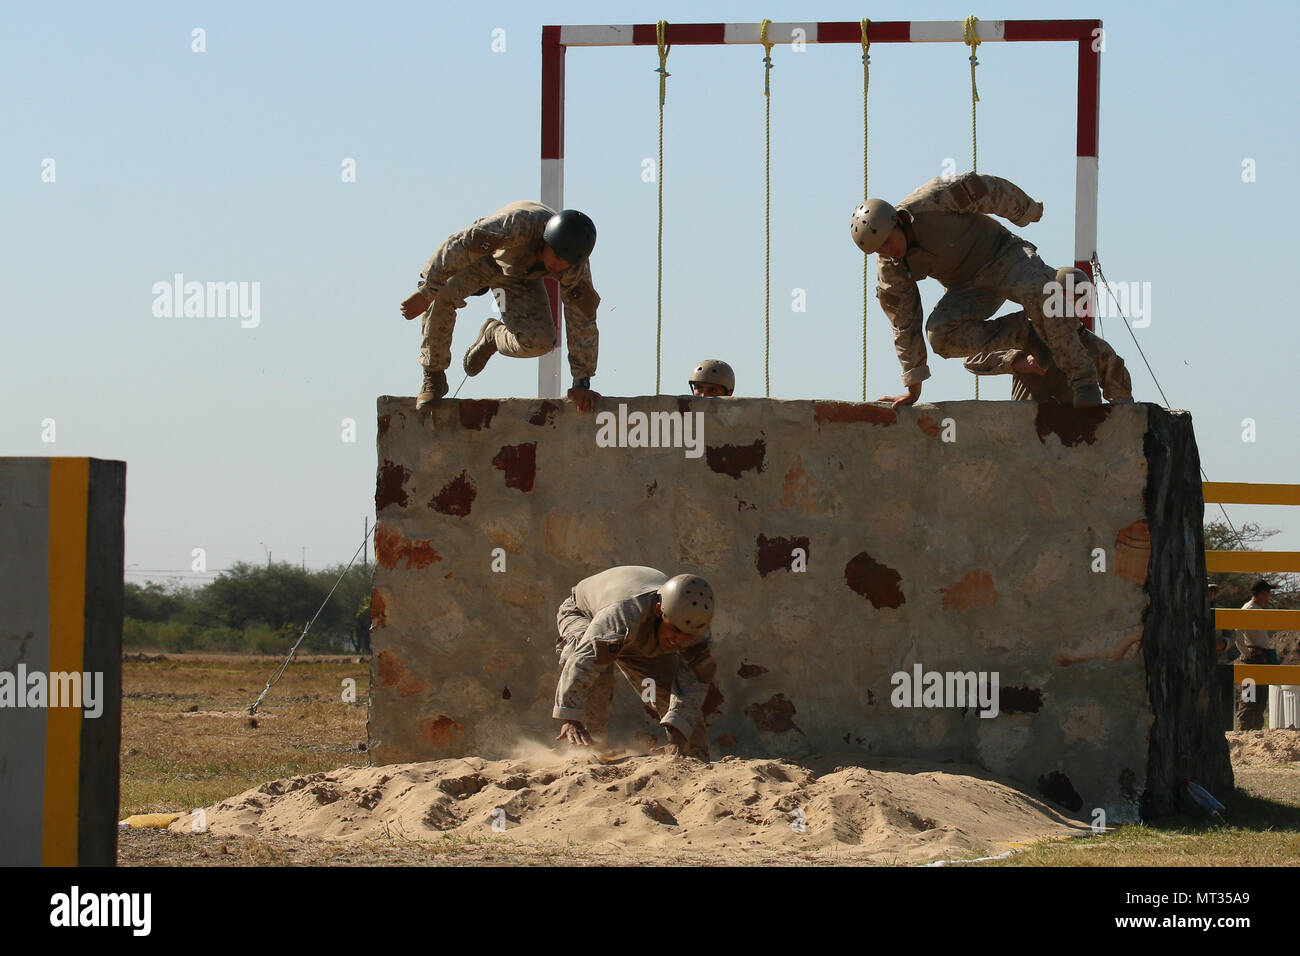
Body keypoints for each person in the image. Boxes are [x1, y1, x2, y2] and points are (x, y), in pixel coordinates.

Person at [850, 172, 1102, 410]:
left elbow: (987, 190)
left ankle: (1083, 378)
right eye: (878, 250)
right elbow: (904, 322)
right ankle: (1025, 330)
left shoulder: (932, 200)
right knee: (941, 336)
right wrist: (913, 387)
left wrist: (1027, 210)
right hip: (968, 288)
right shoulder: (891, 267)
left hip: (1003, 255)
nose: (887, 251)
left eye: (887, 242)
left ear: (898, 221)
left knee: (1041, 290)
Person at [399, 201, 602, 412]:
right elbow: (461, 244)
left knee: (540, 341)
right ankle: (434, 375)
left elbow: (582, 319)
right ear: (545, 241)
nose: (558, 266)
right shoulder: (518, 225)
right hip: (485, 258)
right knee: (441, 295)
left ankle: (493, 335)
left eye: (565, 263)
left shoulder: (576, 269)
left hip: (520, 277)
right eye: (557, 256)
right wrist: (427, 290)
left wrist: (581, 381)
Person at [553, 566, 717, 760]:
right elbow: (584, 661)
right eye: (674, 630)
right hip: (584, 614)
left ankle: (694, 759)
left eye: (686, 635)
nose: (678, 640)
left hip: (641, 637)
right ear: (659, 610)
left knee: (666, 689)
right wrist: (571, 719)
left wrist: (677, 742)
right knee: (599, 674)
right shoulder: (624, 614)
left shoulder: (697, 632)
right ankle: (585, 752)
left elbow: (691, 689)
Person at [963, 269, 1133, 404]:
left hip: (1075, 441)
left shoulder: (1098, 349)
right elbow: (971, 357)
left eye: (1071, 299)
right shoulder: (1025, 335)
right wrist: (1015, 361)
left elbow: (1123, 404)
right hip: (1027, 436)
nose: (1063, 306)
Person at [1235, 579, 1277, 730]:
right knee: (1249, 699)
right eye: (1268, 593)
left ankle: (1255, 735)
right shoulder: (1249, 609)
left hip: (1260, 658)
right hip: (1253, 659)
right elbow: (1237, 633)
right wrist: (1246, 653)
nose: (1269, 597)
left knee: (1259, 700)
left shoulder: (1256, 609)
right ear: (1261, 593)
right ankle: (1244, 733)